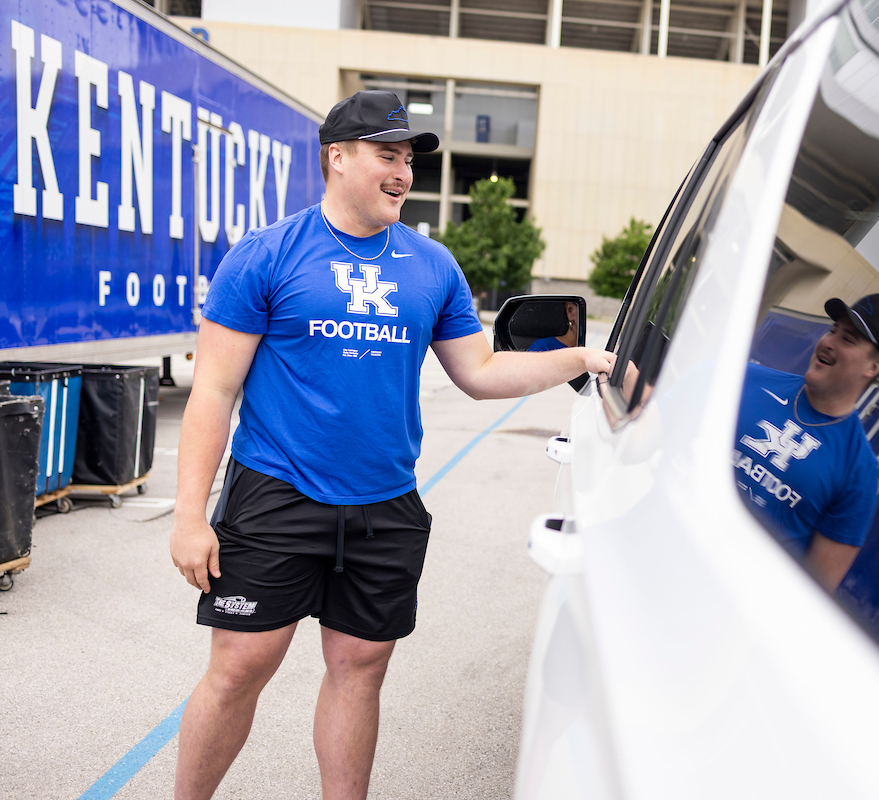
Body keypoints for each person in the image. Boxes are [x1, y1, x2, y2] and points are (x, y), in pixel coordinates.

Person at [168, 89, 614, 800]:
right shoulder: (267, 254)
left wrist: (581, 359)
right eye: (387, 155)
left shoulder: (432, 266)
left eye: (408, 158)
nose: (403, 171)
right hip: (277, 492)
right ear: (337, 158)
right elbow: (214, 392)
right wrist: (191, 517)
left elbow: (481, 372)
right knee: (240, 669)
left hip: (385, 504)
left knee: (361, 670)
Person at [732, 294, 879, 591]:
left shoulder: (860, 471)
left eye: (847, 339)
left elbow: (814, 590)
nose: (828, 342)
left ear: (873, 368)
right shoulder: (745, 378)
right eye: (833, 330)